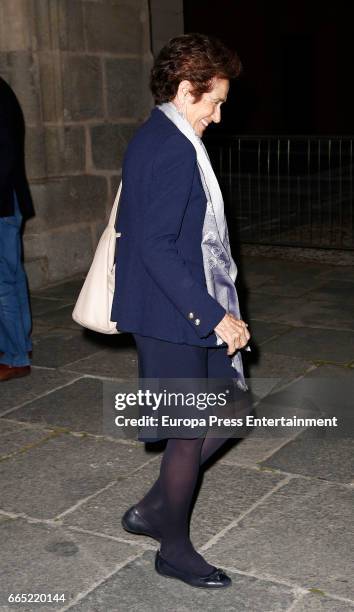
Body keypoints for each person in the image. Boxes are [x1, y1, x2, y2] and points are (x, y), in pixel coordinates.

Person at [111, 33, 251, 589]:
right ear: (187, 90)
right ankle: (173, 547)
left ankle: (152, 509)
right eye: (214, 101)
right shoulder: (170, 148)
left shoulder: (163, 135)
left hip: (179, 304)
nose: (217, 116)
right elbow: (154, 246)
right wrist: (214, 316)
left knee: (234, 409)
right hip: (173, 312)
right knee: (190, 431)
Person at [0, 76, 34, 381]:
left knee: (3, 284)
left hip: (3, 205)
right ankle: (19, 346)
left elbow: (5, 156)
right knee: (12, 279)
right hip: (8, 203)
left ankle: (16, 356)